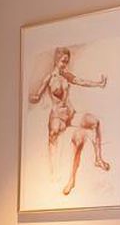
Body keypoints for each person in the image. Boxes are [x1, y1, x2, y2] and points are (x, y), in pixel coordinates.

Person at [27, 46, 110, 196]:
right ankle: (54, 173)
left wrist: (98, 84)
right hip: (58, 117)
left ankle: (98, 159)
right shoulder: (49, 78)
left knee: (95, 122)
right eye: (63, 61)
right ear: (56, 60)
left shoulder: (67, 76)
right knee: (54, 136)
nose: (65, 64)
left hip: (71, 114)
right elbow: (38, 95)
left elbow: (81, 81)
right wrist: (32, 98)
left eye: (67, 61)